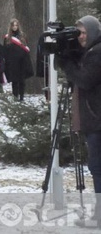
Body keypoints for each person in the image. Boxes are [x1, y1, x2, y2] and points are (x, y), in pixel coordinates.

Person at [56, 16, 101, 227]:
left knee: (97, 166)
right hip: (94, 120)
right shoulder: (91, 52)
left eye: (83, 33)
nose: (80, 37)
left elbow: (84, 80)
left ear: (92, 32)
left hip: (97, 121)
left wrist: (68, 64)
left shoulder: (97, 53)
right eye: (78, 32)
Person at [2, 19, 33, 101]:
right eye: (13, 25)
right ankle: (15, 96)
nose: (15, 27)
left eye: (16, 25)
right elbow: (5, 50)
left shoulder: (22, 36)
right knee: (14, 81)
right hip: (12, 62)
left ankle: (22, 97)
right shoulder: (7, 37)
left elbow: (26, 49)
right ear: (11, 26)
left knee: (22, 80)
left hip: (22, 62)